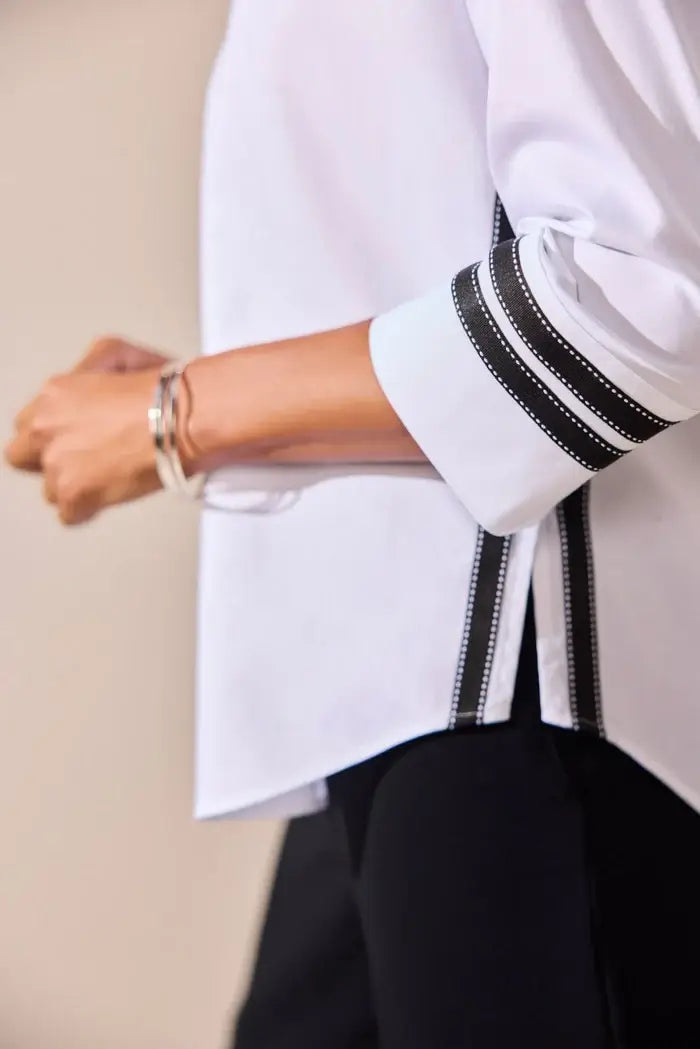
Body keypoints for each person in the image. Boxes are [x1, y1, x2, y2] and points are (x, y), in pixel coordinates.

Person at [5, 2, 700, 1045]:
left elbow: (635, 297)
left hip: (525, 681)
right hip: (408, 693)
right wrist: (199, 412)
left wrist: (179, 414)